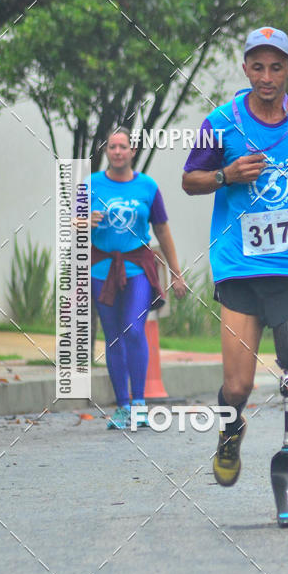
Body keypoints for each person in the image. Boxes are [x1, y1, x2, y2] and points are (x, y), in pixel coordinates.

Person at [182, 26, 288, 485]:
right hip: (241, 265)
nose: (266, 76)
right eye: (257, 66)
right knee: (239, 385)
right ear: (245, 68)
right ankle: (231, 429)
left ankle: (285, 448)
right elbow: (190, 180)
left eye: (275, 66)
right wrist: (226, 175)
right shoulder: (221, 123)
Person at [87, 127, 187, 430]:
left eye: (123, 147)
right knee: (113, 337)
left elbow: (162, 230)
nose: (117, 152)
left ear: (132, 151)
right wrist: (81, 222)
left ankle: (141, 403)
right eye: (112, 147)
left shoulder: (147, 187)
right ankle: (123, 406)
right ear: (106, 151)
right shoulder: (90, 185)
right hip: (101, 269)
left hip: (137, 269)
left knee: (133, 329)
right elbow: (69, 227)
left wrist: (175, 272)